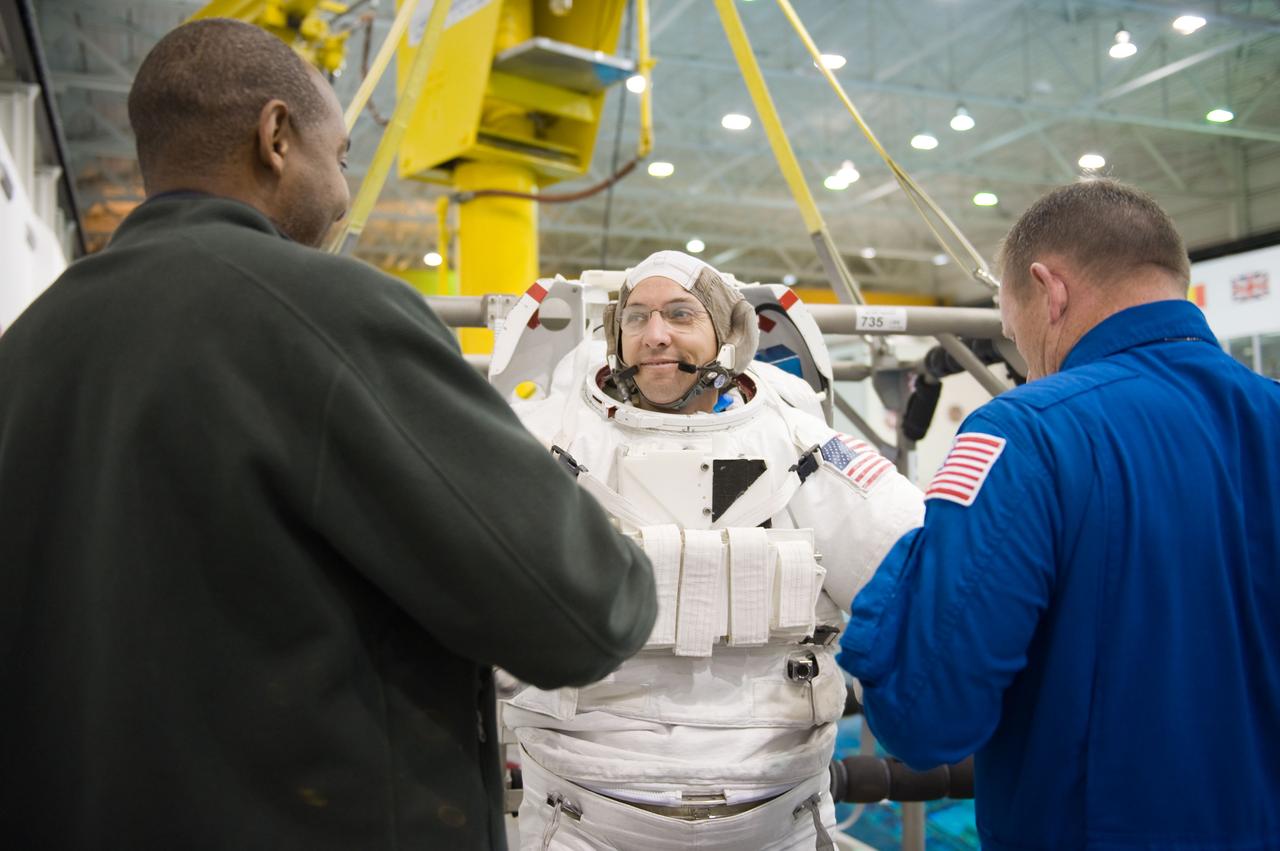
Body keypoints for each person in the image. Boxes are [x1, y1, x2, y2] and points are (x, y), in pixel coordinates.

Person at [0, 19, 656, 851]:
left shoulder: (29, 346)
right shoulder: (325, 312)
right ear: (276, 137)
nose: (345, 192)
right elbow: (584, 608)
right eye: (341, 157)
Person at [838, 179, 1280, 849]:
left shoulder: (1024, 433)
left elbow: (926, 714)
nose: (1024, 355)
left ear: (1050, 289)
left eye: (1012, 329)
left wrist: (912, 563)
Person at [500, 250, 925, 850]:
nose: (655, 336)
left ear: (729, 336)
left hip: (777, 820)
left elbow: (915, 584)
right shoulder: (547, 443)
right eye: (637, 317)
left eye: (680, 315)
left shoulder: (799, 448)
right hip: (585, 819)